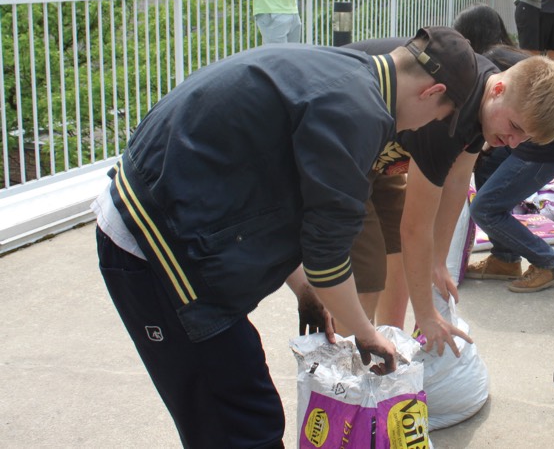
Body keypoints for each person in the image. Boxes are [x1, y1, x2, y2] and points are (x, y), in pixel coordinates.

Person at [93, 27, 480, 448]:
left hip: (172, 213)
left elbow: (297, 207)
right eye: (438, 119)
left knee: (239, 405)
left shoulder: (351, 73)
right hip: (154, 239)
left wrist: (305, 288)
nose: (425, 130)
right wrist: (366, 333)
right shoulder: (360, 111)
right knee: (239, 420)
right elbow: (329, 258)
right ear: (431, 92)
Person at [344, 25, 554, 351]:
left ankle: (387, 349)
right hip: (344, 140)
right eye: (514, 128)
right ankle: (343, 369)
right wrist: (425, 315)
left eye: (524, 139)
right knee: (367, 272)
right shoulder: (446, 118)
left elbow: (456, 182)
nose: (512, 143)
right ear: (498, 90)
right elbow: (416, 227)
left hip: (382, 152)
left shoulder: (487, 100)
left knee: (395, 251)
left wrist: (438, 261)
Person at [454, 5, 554, 292]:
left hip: (549, 142)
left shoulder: (489, 61)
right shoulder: (504, 54)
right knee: (488, 163)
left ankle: (548, 261)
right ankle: (505, 259)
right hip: (547, 135)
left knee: (486, 208)